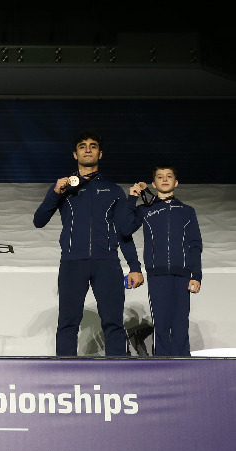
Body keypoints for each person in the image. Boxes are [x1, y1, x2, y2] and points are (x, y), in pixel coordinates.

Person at [33, 131, 142, 356]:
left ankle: (117, 372)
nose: (88, 149)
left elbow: (123, 232)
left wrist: (134, 266)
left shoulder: (113, 190)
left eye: (93, 146)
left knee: (113, 322)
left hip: (107, 262)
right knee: (68, 323)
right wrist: (55, 193)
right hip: (73, 262)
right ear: (75, 154)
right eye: (82, 146)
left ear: (100, 154)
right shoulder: (64, 187)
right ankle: (65, 372)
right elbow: (39, 221)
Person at [127, 165, 202, 356]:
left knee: (180, 323)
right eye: (160, 177)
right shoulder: (145, 210)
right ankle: (162, 366)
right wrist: (132, 198)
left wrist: (196, 275)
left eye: (169, 176)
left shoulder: (187, 211)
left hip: (182, 275)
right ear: (153, 184)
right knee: (160, 323)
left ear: (176, 182)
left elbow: (195, 244)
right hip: (157, 274)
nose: (165, 179)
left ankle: (183, 366)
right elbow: (125, 229)